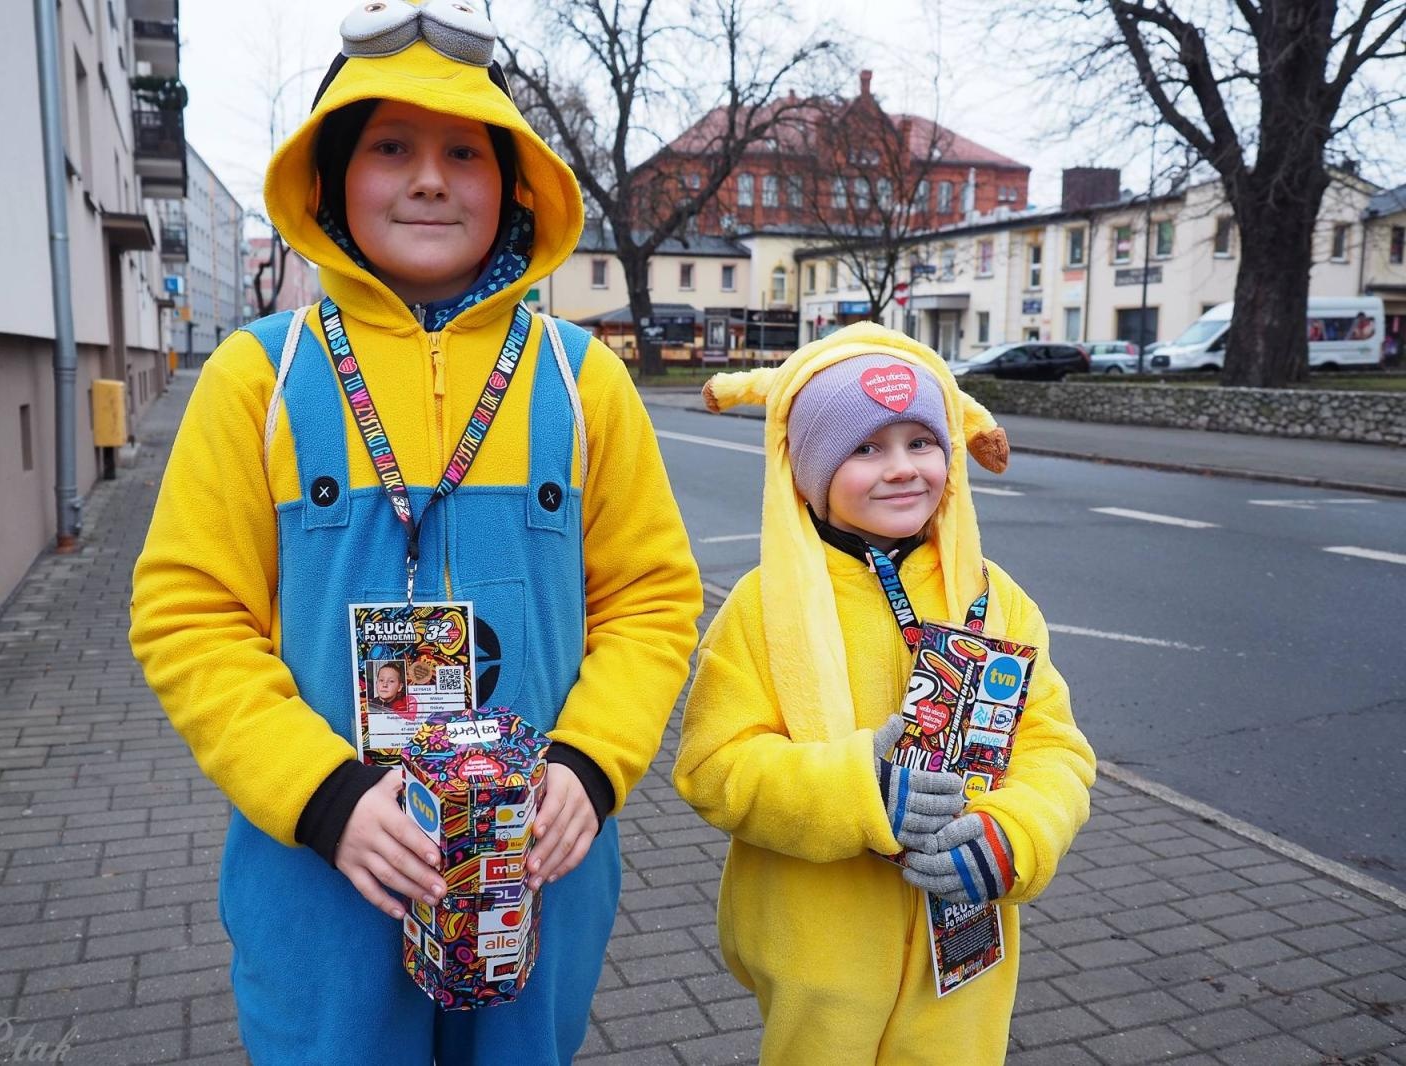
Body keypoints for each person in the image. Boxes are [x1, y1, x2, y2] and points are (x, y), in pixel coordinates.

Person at [128, 2, 703, 1061]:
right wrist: (324, 797)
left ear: (514, 182)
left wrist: (589, 762)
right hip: (325, 874)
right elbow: (189, 617)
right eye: (391, 146)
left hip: (536, 866)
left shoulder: (583, 383)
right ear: (332, 176)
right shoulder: (260, 378)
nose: (429, 178)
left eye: (463, 152)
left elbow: (653, 600)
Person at [674, 324, 1096, 1063]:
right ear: (809, 469)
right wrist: (858, 786)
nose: (901, 469)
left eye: (920, 443)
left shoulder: (1000, 600)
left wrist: (1017, 835)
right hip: (818, 954)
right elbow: (714, 767)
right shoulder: (759, 607)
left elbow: (1053, 747)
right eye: (865, 448)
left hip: (962, 953)